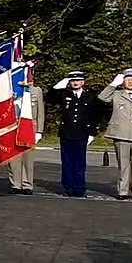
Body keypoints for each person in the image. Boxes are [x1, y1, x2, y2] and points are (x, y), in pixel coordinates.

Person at [48, 70, 102, 198]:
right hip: (67, 133)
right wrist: (58, 86)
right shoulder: (64, 94)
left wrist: (92, 132)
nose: (75, 83)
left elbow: (95, 115)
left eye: (78, 80)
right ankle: (68, 188)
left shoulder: (90, 96)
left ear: (83, 82)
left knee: (80, 162)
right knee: (67, 162)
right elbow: (49, 99)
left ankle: (79, 188)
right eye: (72, 81)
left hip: (82, 133)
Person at [99, 68, 132, 199]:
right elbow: (102, 97)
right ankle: (123, 191)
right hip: (121, 134)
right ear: (123, 81)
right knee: (123, 164)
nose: (130, 82)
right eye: (127, 80)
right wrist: (113, 84)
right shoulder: (117, 94)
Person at [7, 68, 45, 195]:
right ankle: (16, 184)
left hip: (30, 128)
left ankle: (27, 184)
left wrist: (39, 131)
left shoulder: (35, 90)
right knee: (14, 159)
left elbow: (40, 112)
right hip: (14, 127)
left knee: (28, 159)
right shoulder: (10, 90)